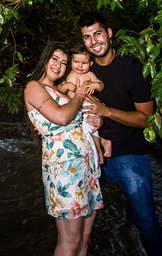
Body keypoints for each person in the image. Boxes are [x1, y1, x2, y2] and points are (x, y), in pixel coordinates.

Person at [79, 12, 162, 256]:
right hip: (92, 155)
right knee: (80, 228)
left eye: (97, 34)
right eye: (87, 37)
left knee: (147, 223)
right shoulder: (81, 68)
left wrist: (106, 111)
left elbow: (146, 119)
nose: (93, 41)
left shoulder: (133, 67)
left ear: (109, 33)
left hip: (129, 154)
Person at [24, 41, 103, 256]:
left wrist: (98, 123)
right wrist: (79, 93)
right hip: (65, 171)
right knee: (70, 241)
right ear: (45, 59)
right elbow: (62, 116)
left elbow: (80, 118)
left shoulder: (62, 89)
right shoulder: (34, 87)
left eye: (64, 62)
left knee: (84, 238)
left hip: (86, 166)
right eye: (55, 59)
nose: (59, 65)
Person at [58, 48, 112, 162]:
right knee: (83, 131)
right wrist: (66, 86)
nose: (80, 66)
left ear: (91, 63)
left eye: (84, 63)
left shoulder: (90, 75)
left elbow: (101, 85)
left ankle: (99, 152)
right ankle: (103, 142)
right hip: (76, 109)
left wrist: (94, 85)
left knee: (90, 129)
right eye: (76, 62)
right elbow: (59, 88)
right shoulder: (68, 75)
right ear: (71, 61)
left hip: (88, 108)